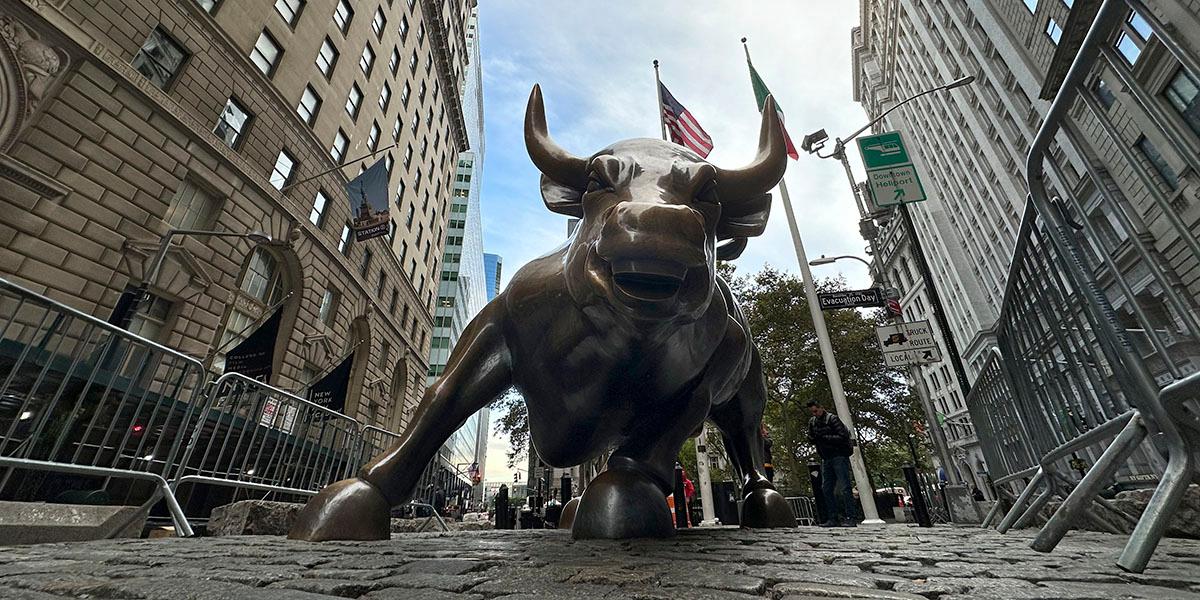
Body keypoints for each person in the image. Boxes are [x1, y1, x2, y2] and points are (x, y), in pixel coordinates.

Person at [807, 400, 857, 527]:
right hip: (826, 457)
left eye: (816, 411)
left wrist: (825, 437)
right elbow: (811, 438)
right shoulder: (813, 422)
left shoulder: (832, 419)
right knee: (826, 488)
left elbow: (843, 436)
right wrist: (813, 438)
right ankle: (833, 517)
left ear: (821, 408)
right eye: (812, 412)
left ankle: (851, 517)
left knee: (845, 487)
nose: (815, 414)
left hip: (838, 456)